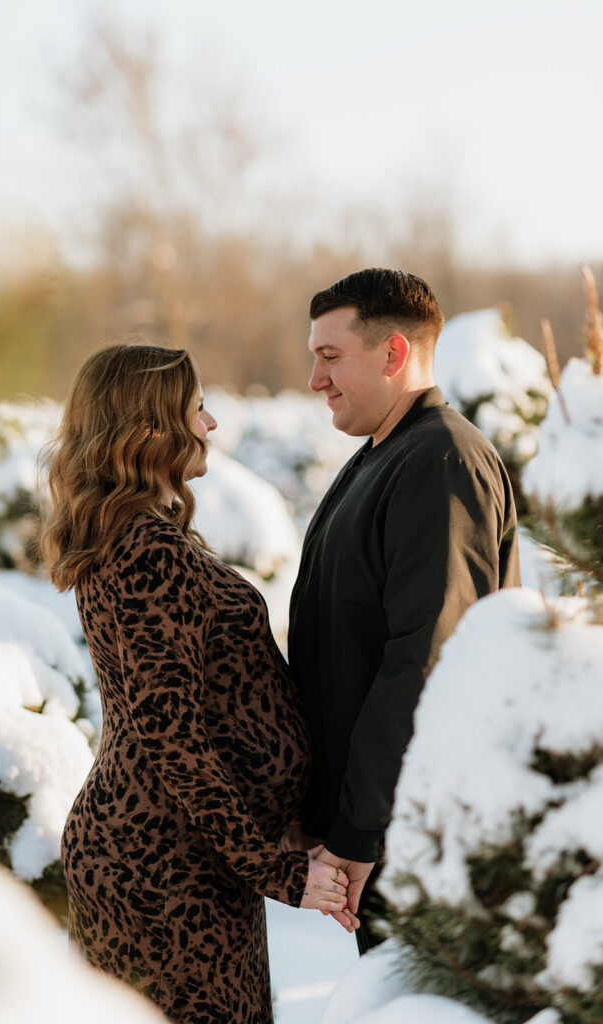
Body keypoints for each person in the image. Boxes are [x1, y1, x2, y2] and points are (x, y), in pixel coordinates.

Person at [39, 340, 349, 1024]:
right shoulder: (145, 552)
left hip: (183, 855)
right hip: (161, 869)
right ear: (150, 427)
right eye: (197, 408)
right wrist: (280, 874)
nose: (210, 424)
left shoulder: (137, 536)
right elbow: (170, 738)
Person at [286, 269, 521, 953]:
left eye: (330, 357)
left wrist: (362, 829)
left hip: (417, 834)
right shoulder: (378, 459)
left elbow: (425, 659)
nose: (314, 379)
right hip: (380, 830)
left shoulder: (440, 462)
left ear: (392, 354)